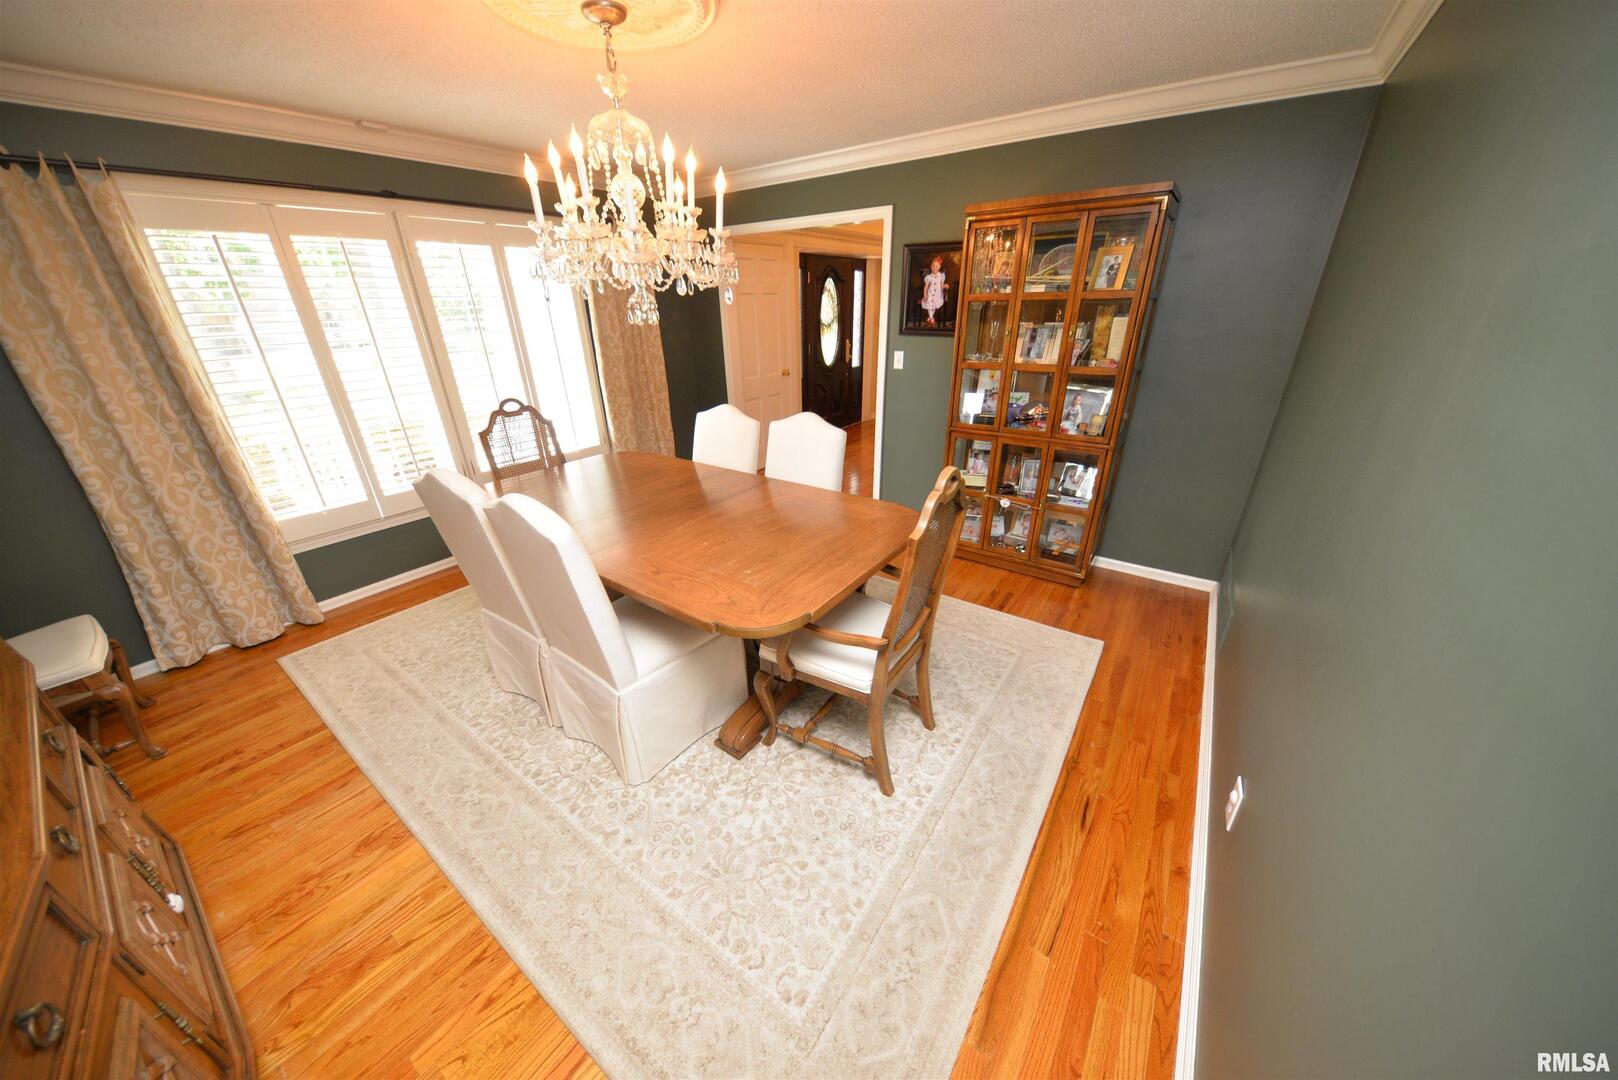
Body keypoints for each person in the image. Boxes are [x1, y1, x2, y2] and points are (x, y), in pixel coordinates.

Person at [920, 254, 950, 327]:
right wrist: (925, 295)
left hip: (938, 294)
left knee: (934, 304)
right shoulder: (929, 277)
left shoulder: (941, 275)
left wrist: (945, 286)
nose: (935, 268)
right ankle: (931, 319)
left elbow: (941, 285)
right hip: (930, 293)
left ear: (939, 267)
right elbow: (926, 287)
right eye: (933, 266)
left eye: (936, 266)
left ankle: (930, 319)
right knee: (929, 302)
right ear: (931, 267)